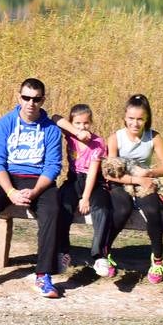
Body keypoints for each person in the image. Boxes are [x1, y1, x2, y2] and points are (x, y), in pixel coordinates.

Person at [0, 77, 64, 298]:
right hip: (7, 177)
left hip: (38, 179)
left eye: (36, 99)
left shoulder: (50, 130)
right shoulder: (5, 123)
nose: (31, 103)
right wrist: (10, 191)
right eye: (26, 97)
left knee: (52, 211)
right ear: (18, 97)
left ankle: (44, 274)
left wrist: (36, 191)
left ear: (43, 100)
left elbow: (52, 166)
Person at [100, 94, 163, 283]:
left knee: (152, 210)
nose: (135, 123)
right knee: (122, 209)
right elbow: (109, 173)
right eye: (131, 118)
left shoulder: (153, 137)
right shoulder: (115, 138)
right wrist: (135, 179)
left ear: (147, 118)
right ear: (124, 117)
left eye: (140, 119)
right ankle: (104, 251)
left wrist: (149, 174)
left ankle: (158, 259)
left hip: (145, 180)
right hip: (121, 180)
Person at [53, 104, 111, 272]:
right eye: (77, 123)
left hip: (94, 182)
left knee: (103, 209)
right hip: (74, 179)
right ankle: (63, 252)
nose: (82, 127)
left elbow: (93, 172)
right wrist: (75, 131)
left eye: (85, 123)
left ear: (91, 123)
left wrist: (85, 198)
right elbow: (55, 117)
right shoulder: (71, 136)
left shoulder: (98, 142)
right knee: (63, 207)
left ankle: (99, 255)